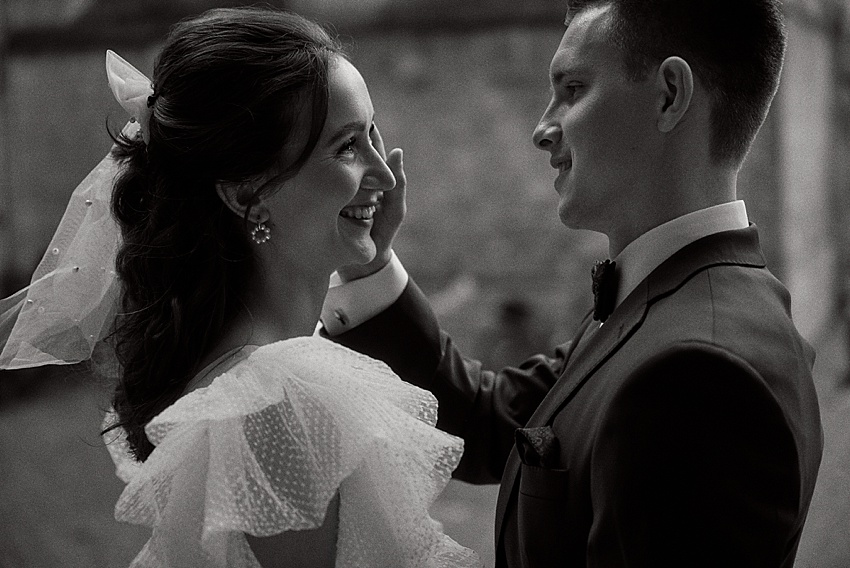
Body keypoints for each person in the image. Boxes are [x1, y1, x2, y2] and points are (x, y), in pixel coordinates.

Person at [324, 0, 824, 566]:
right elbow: (491, 423)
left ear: (668, 95)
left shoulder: (697, 371)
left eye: (573, 88)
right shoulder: (672, 299)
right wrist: (370, 265)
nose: (543, 128)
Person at [0, 7, 481, 568]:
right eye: (347, 146)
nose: (384, 172)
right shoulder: (281, 404)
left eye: (374, 134)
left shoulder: (241, 375)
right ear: (247, 194)